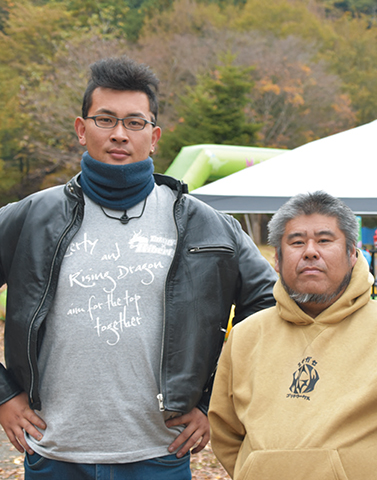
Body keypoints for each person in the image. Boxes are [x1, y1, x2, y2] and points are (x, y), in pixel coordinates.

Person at [0, 56, 277, 479]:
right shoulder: (31, 218)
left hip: (159, 456)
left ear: (154, 136)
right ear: (81, 129)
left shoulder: (207, 224)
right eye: (104, 119)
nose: (118, 134)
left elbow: (270, 308)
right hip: (55, 454)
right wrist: (4, 394)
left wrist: (211, 401)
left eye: (134, 123)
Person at [208, 191, 377, 480]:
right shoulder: (245, 336)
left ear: (353, 253)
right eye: (296, 242)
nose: (310, 251)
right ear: (277, 260)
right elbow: (225, 431)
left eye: (324, 240)